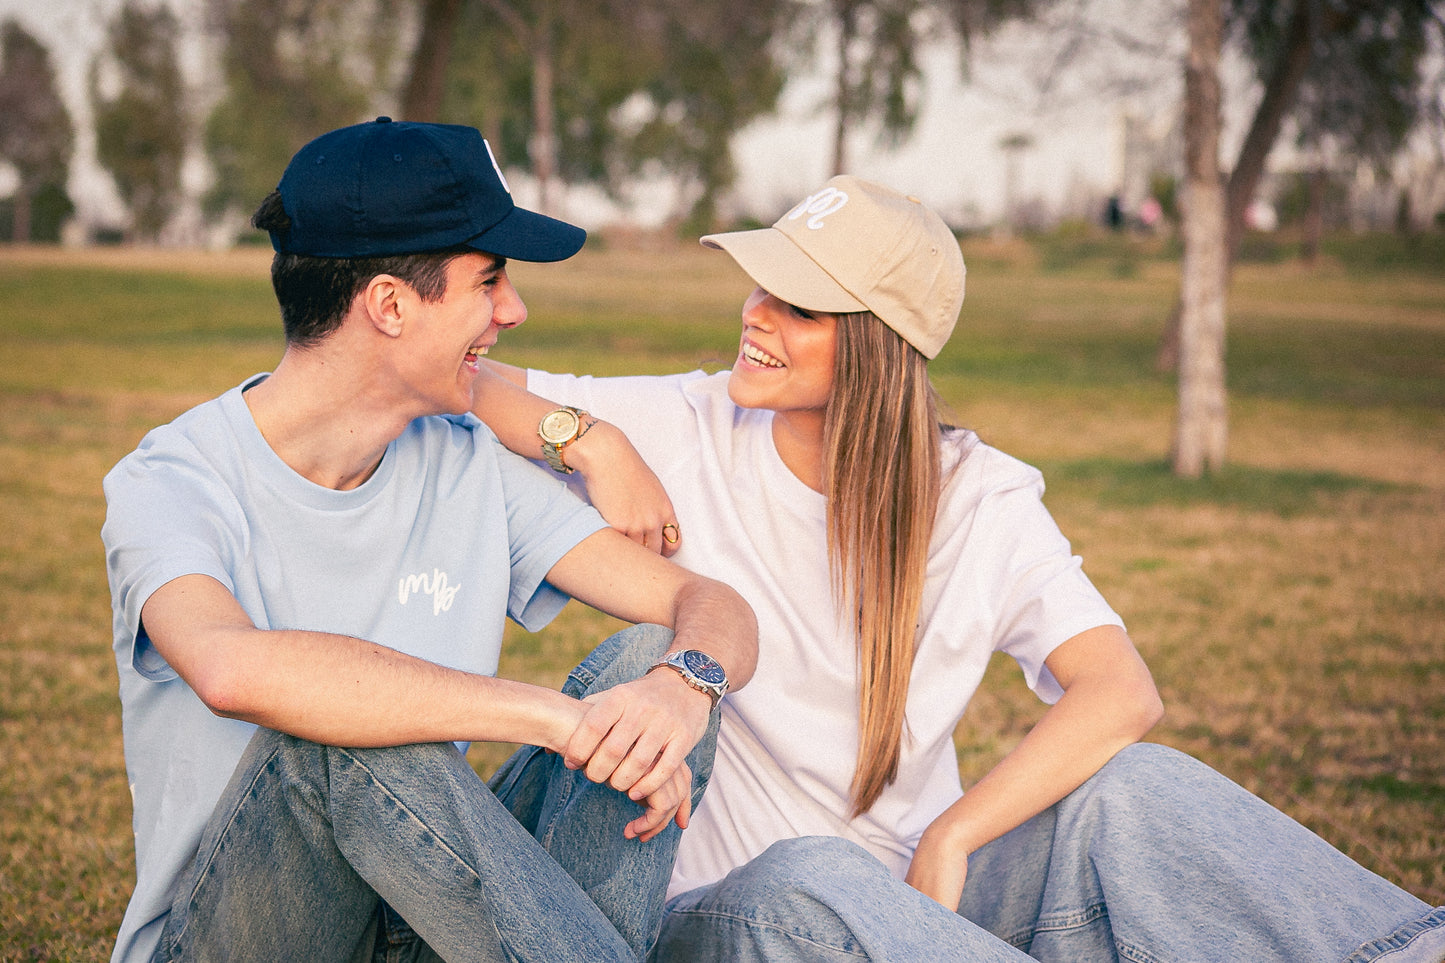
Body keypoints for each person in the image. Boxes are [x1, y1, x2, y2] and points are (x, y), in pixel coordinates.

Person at [472, 175, 1445, 962]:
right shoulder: (686, 423)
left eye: (798, 305)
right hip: (741, 917)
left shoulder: (976, 495)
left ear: (878, 348)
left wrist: (952, 837)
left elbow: (1116, 690)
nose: (754, 316)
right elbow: (453, 375)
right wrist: (585, 439)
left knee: (1135, 792)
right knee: (814, 875)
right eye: (759, 285)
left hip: (929, 907)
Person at [100, 117, 758, 963]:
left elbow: (709, 606)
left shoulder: (465, 463)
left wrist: (684, 683)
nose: (513, 311)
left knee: (644, 665)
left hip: (418, 922)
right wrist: (555, 719)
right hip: (237, 933)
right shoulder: (172, 478)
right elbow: (232, 668)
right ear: (389, 304)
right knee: (333, 735)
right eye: (488, 281)